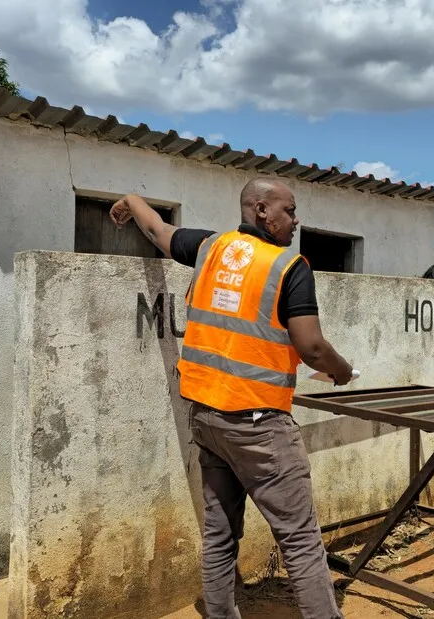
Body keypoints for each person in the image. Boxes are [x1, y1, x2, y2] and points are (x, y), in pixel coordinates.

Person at [109, 178, 353, 619]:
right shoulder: (289, 266)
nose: (296, 221)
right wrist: (342, 370)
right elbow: (312, 347)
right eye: (290, 211)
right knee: (299, 539)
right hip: (259, 426)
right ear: (262, 210)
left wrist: (132, 200)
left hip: (207, 418)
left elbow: (159, 232)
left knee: (220, 534)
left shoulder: (210, 248)